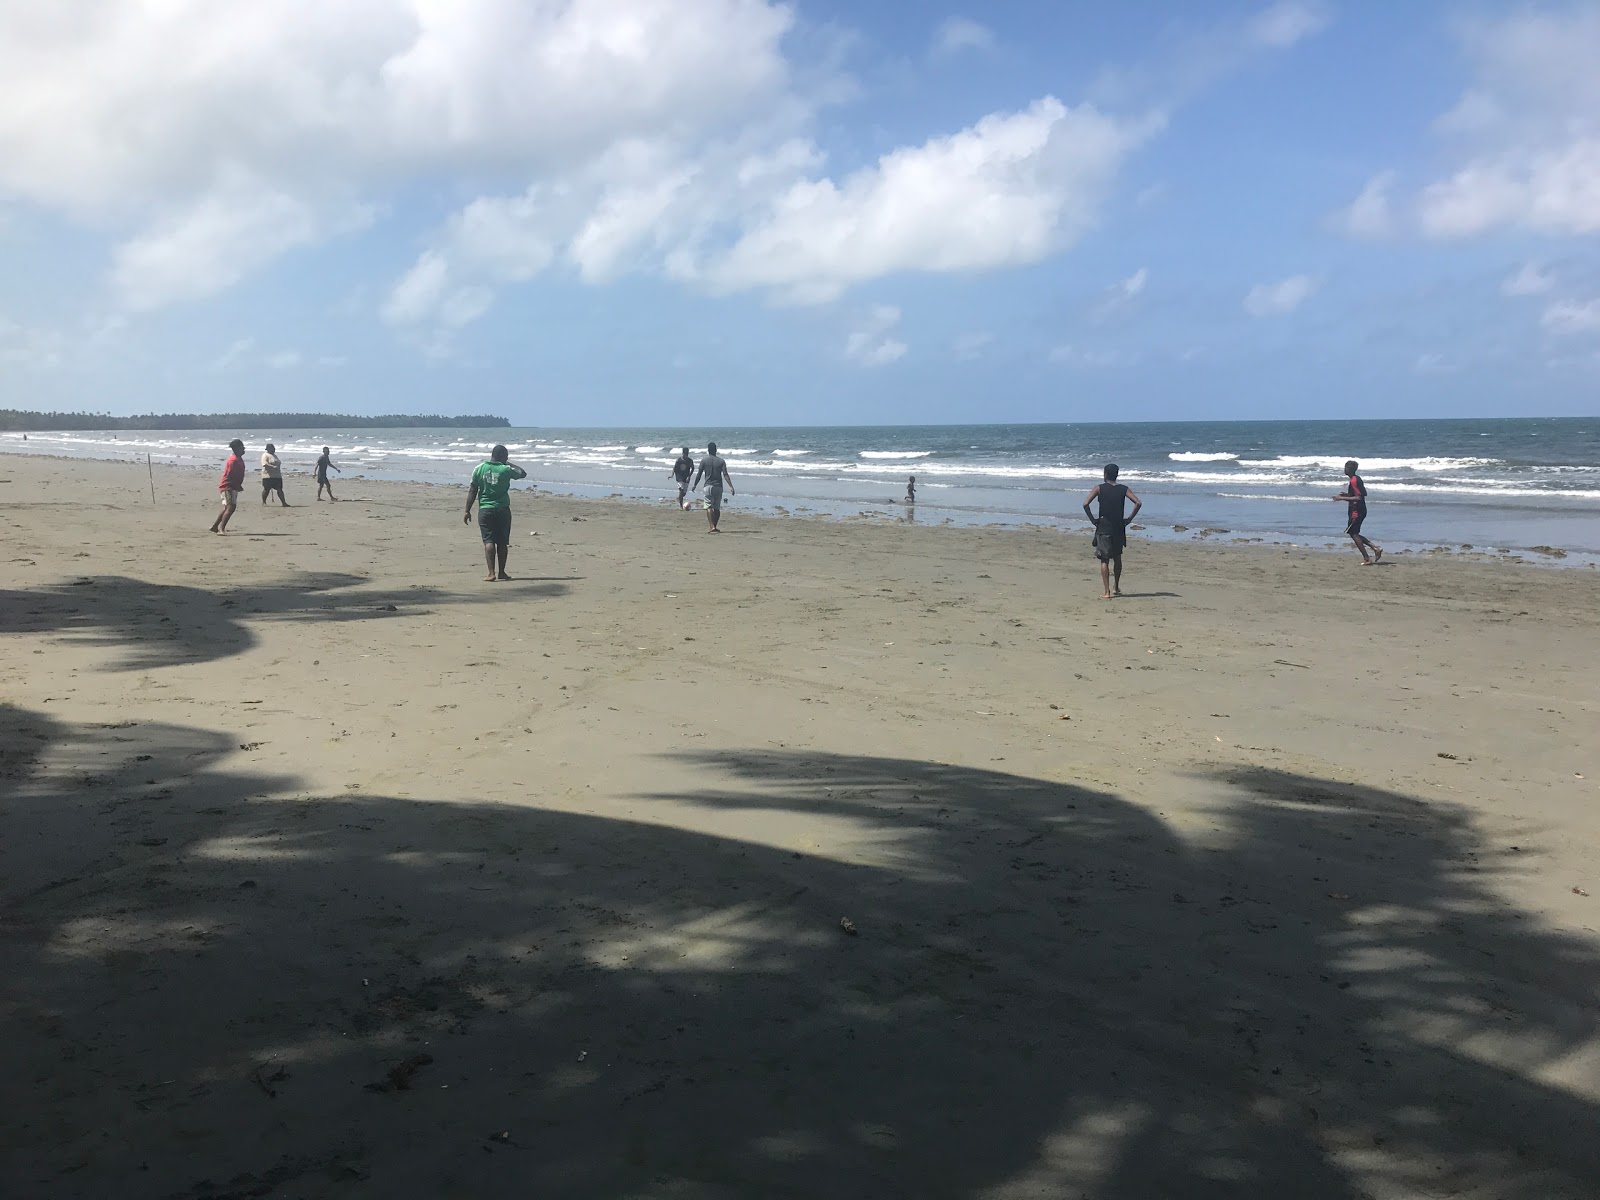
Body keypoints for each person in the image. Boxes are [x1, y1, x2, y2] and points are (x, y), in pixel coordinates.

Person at [463, 444, 529, 581]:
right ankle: (502, 572)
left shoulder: (479, 468)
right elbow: (522, 473)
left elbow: (472, 490)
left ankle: (491, 573)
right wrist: (507, 462)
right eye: (506, 456)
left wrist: (467, 510)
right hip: (503, 509)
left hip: (485, 509)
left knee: (488, 541)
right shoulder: (505, 469)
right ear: (502, 457)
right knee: (502, 542)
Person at [1082, 463, 1142, 600]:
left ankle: (1107, 591)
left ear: (1105, 474)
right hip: (1119, 527)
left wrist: (1092, 519)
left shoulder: (1099, 488)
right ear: (1117, 475)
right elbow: (1138, 503)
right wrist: (1129, 519)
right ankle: (1116, 586)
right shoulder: (1123, 489)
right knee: (1117, 558)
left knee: (1104, 559)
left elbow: (1085, 504)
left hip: (1104, 527)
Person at [1333, 459, 1382, 564]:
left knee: (1353, 533)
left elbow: (1359, 498)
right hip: (1359, 509)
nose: (1344, 469)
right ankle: (1375, 548)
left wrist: (1341, 498)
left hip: (1357, 511)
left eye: (1345, 468)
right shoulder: (1356, 479)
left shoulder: (1354, 480)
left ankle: (1367, 558)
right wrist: (1347, 495)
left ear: (1349, 469)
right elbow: (1361, 494)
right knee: (1353, 533)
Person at [691, 441, 734, 532]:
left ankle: (712, 526)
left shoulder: (704, 460)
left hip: (708, 486)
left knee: (709, 506)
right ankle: (715, 525)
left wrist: (695, 485)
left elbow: (699, 474)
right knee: (717, 507)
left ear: (708, 450)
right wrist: (731, 486)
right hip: (718, 486)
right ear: (716, 450)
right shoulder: (721, 461)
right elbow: (725, 474)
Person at [210, 439, 247, 534]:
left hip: (233, 486)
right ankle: (221, 529)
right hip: (228, 486)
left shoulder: (238, 458)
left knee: (227, 507)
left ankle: (215, 526)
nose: (244, 448)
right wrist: (236, 485)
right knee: (231, 507)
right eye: (242, 447)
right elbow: (230, 475)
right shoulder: (233, 460)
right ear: (237, 448)